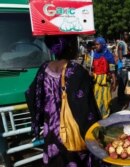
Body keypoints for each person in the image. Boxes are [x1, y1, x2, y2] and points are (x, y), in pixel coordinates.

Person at [25, 35, 102, 167]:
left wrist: (44, 116)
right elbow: (86, 110)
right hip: (73, 134)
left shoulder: (44, 69)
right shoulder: (76, 71)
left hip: (52, 134)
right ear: (71, 46)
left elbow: (30, 94)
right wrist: (96, 136)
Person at [91, 37, 116, 118]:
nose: (96, 46)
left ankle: (105, 116)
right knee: (96, 99)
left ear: (102, 45)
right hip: (96, 82)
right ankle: (98, 115)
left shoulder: (109, 56)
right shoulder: (92, 55)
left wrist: (114, 81)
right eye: (95, 45)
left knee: (105, 99)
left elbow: (112, 70)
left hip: (105, 82)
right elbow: (89, 68)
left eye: (97, 44)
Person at [116, 32, 130, 106]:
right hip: (122, 66)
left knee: (123, 84)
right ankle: (120, 100)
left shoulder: (125, 43)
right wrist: (123, 62)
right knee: (122, 83)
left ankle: (122, 98)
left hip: (124, 64)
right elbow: (120, 54)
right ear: (123, 35)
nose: (127, 36)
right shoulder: (121, 44)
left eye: (127, 34)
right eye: (125, 34)